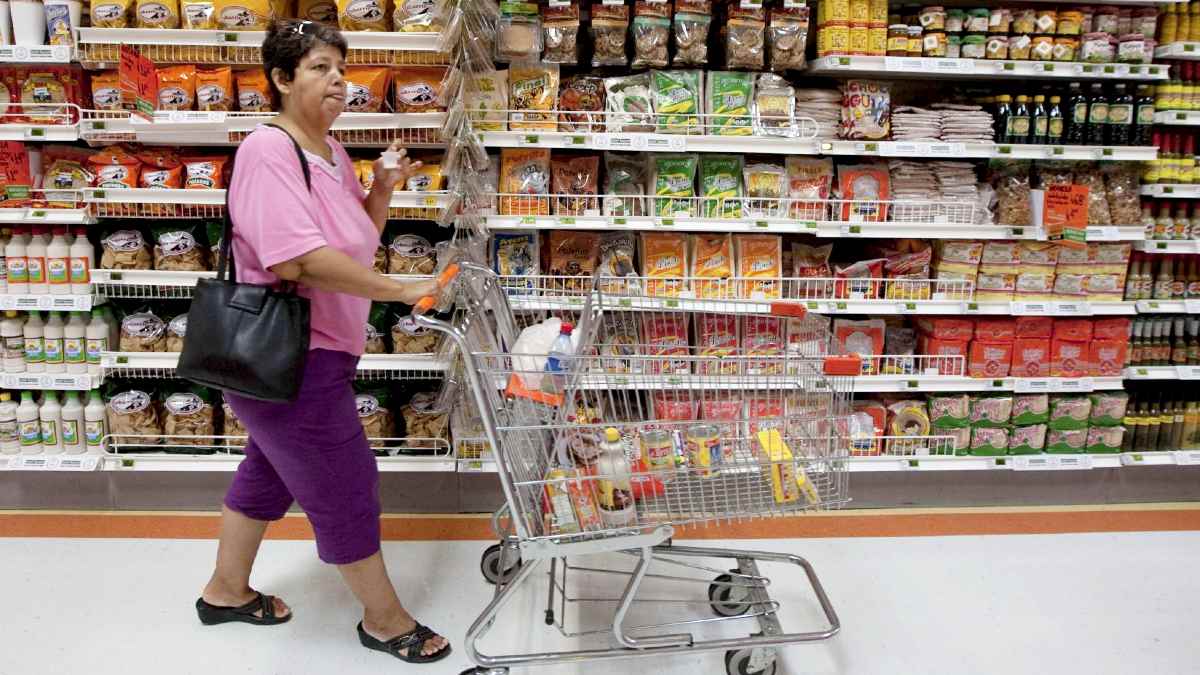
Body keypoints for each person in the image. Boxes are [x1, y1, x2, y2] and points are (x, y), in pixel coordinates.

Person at [194, 18, 450, 665]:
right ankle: (386, 621)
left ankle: (225, 591)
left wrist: (383, 189)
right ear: (281, 80)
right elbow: (294, 260)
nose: (337, 78)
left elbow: (357, 238)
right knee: (345, 481)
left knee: (269, 470)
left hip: (314, 358)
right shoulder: (267, 151)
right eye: (317, 67)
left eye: (340, 66)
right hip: (290, 358)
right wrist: (396, 289)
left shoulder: (331, 154)